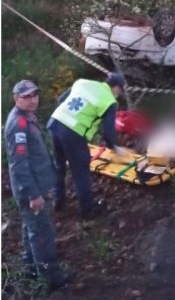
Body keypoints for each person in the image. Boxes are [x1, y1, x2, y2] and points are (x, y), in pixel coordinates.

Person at [4, 80, 73, 291]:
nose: (32, 99)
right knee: (42, 232)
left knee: (30, 229)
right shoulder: (18, 125)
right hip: (31, 190)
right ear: (16, 99)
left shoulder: (27, 117)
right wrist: (33, 195)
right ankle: (51, 278)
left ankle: (31, 267)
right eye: (26, 96)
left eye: (35, 95)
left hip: (37, 185)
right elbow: (19, 165)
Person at [48, 73, 127, 218]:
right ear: (116, 88)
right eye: (120, 91)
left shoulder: (83, 82)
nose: (119, 94)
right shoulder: (109, 101)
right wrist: (115, 148)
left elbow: (61, 99)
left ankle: (58, 200)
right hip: (73, 132)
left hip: (55, 123)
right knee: (81, 172)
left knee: (59, 165)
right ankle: (88, 210)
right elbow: (108, 132)